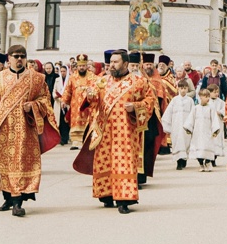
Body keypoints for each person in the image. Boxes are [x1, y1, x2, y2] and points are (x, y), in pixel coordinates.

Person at [0, 44, 60, 217]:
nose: (19, 59)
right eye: (16, 56)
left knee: (21, 163)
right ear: (9, 59)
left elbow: (45, 100)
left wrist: (34, 106)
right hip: (4, 129)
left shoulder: (36, 79)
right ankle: (8, 196)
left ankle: (18, 201)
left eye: (22, 56)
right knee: (4, 164)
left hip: (26, 130)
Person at [73, 49, 152, 214]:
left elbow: (150, 101)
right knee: (105, 160)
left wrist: (136, 107)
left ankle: (124, 199)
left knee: (123, 162)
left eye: (116, 62)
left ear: (125, 63)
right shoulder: (102, 81)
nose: (111, 65)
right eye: (110, 62)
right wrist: (89, 96)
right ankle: (107, 195)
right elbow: (92, 102)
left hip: (126, 131)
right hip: (104, 130)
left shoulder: (138, 82)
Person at [132, 52, 165, 183]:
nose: (134, 68)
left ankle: (141, 175)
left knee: (145, 148)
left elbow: (154, 100)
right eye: (132, 65)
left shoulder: (147, 82)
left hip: (146, 119)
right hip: (129, 120)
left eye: (136, 65)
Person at [60, 54, 98, 149]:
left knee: (87, 122)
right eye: (80, 66)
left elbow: (97, 88)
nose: (81, 68)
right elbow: (68, 90)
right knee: (76, 123)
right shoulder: (73, 77)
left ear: (86, 66)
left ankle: (85, 141)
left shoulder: (93, 77)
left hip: (87, 104)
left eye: (83, 66)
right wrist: (64, 100)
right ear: (77, 66)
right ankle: (76, 142)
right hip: (75, 105)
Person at [187, 84, 224, 170]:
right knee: (198, 148)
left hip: (207, 132)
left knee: (207, 147)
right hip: (198, 132)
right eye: (205, 96)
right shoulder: (195, 108)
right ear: (200, 97)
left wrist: (215, 130)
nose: (207, 98)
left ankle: (208, 162)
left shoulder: (211, 108)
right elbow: (190, 119)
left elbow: (214, 120)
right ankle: (201, 164)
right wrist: (188, 128)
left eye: (208, 97)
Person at [162, 79, 194, 169]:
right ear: (178, 89)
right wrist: (167, 124)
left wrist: (192, 125)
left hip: (186, 126)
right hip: (176, 125)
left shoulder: (190, 101)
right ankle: (178, 162)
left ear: (187, 89)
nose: (183, 90)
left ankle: (184, 160)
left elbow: (193, 114)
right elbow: (168, 113)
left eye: (185, 88)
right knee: (177, 143)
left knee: (186, 142)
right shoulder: (175, 100)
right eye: (181, 88)